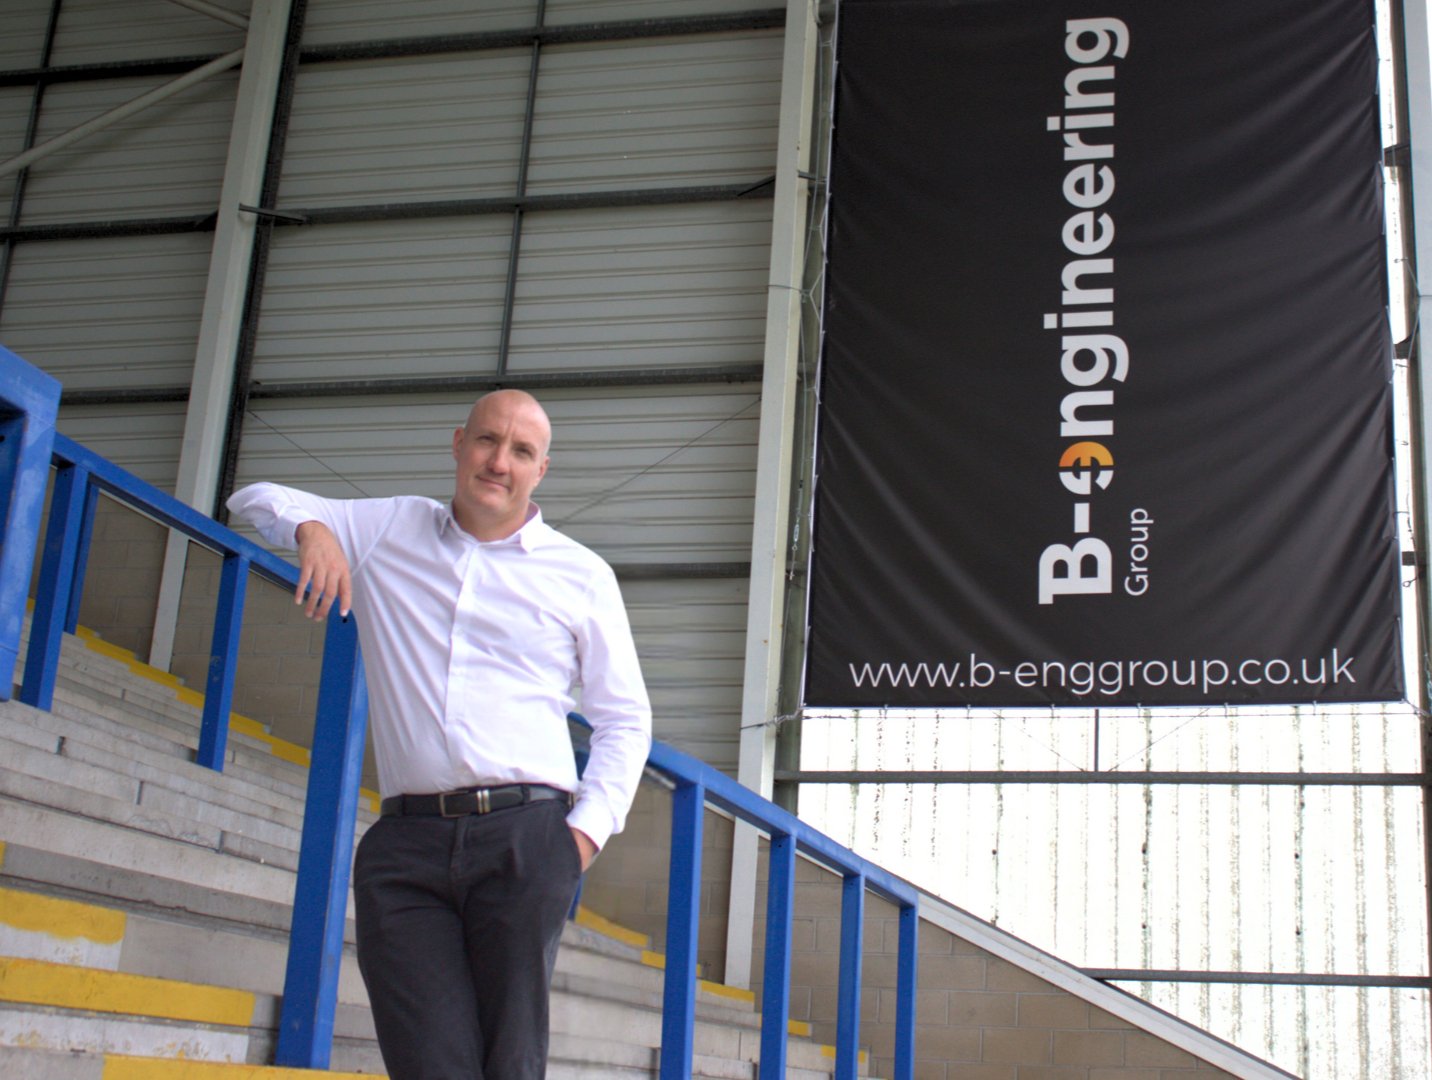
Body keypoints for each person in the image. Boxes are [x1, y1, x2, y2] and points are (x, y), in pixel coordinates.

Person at [227, 389, 652, 1080]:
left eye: (521, 451)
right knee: (430, 1065)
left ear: (541, 470)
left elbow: (625, 717)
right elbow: (253, 497)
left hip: (526, 840)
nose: (499, 462)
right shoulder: (390, 528)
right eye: (488, 441)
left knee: (509, 1064)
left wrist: (580, 837)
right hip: (406, 852)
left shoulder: (582, 576)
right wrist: (314, 531)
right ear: (458, 444)